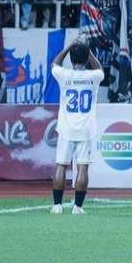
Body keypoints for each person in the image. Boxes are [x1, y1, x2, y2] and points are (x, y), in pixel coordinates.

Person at [49, 41, 104, 215]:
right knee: (82, 168)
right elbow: (100, 70)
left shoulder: (64, 74)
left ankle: (57, 205)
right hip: (86, 129)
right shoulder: (93, 77)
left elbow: (54, 64)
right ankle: (78, 207)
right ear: (86, 58)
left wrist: (68, 47)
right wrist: (89, 52)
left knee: (61, 165)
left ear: (72, 59)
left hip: (66, 128)